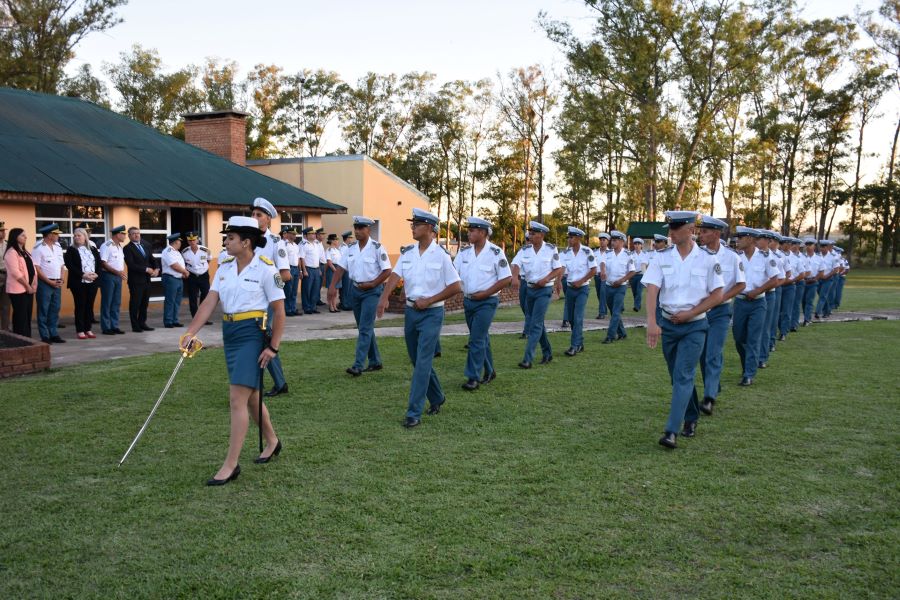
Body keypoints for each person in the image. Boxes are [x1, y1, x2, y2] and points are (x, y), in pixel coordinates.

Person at [180, 216, 285, 486]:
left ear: (246, 242)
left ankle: (231, 464)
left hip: (252, 334)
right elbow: (209, 302)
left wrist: (273, 346)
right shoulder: (224, 267)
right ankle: (272, 440)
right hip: (231, 334)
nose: (225, 242)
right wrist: (191, 332)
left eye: (230, 238)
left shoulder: (265, 268)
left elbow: (279, 310)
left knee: (237, 399)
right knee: (250, 399)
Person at [644, 211, 724, 449]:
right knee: (677, 377)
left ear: (691, 230)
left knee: (683, 375)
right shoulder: (661, 257)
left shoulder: (708, 259)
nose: (671, 232)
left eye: (676, 227)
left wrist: (691, 313)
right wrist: (652, 320)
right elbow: (652, 288)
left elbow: (718, 294)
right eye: (670, 227)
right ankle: (691, 417)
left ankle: (671, 431)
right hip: (668, 324)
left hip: (695, 326)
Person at [377, 208, 461, 428]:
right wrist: (384, 298)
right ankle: (437, 397)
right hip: (411, 313)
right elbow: (396, 275)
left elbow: (455, 286)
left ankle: (413, 412)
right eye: (412, 224)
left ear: (430, 229)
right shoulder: (408, 253)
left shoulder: (441, 255)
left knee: (423, 361)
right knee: (417, 361)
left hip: (432, 314)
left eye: (417, 224)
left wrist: (431, 300)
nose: (412, 227)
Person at [327, 216, 392, 375]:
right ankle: (375, 361)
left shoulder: (377, 248)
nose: (357, 231)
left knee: (364, 328)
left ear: (368, 230)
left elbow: (387, 271)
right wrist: (332, 287)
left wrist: (373, 284)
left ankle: (358, 365)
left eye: (360, 228)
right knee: (365, 327)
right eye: (355, 228)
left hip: (371, 292)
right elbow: (341, 268)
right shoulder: (351, 248)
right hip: (355, 291)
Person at [453, 216, 512, 390]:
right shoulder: (464, 253)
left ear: (483, 232)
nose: (468, 233)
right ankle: (490, 370)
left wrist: (486, 293)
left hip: (487, 302)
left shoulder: (495, 253)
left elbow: (506, 278)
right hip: (469, 301)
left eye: (472, 230)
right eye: (469, 230)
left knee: (476, 339)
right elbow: (453, 273)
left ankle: (473, 377)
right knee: (481, 338)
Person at [696, 217, 746, 416]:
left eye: (705, 232)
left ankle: (709, 397)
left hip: (720, 312)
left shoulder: (732, 257)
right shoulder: (696, 255)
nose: (701, 235)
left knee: (713, 352)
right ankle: (713, 385)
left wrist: (721, 297)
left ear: (716, 234)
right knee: (701, 354)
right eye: (700, 232)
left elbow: (741, 284)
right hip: (699, 310)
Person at [249, 197, 292, 397]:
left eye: (259, 215)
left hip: (265, 300)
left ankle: (265, 383)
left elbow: (285, 274)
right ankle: (278, 382)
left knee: (263, 339)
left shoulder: (276, 243)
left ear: (268, 219)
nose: (254, 217)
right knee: (260, 339)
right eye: (252, 214)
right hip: (248, 299)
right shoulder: (247, 239)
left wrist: (268, 292)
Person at [511, 221, 563, 368]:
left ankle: (528, 359)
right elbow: (515, 264)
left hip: (544, 290)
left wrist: (547, 279)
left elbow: (558, 269)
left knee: (535, 324)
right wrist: (515, 277)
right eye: (530, 233)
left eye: (533, 234)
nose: (530, 236)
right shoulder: (525, 250)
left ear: (541, 235)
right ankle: (547, 352)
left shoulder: (551, 250)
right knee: (537, 323)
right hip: (529, 290)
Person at [732, 227, 779, 386]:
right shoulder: (736, 257)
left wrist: (758, 290)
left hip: (758, 302)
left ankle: (749, 373)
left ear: (751, 239)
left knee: (753, 338)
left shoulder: (765, 257)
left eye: (741, 237)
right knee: (739, 338)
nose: (737, 240)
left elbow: (775, 279)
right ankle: (747, 366)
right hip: (739, 302)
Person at [562, 226, 596, 356]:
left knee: (578, 317)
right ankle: (580, 343)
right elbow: (562, 269)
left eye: (571, 237)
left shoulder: (587, 252)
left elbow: (594, 270)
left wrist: (581, 281)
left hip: (582, 288)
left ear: (578, 238)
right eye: (569, 237)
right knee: (570, 318)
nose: (569, 240)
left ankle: (574, 346)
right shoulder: (566, 253)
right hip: (570, 289)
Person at [63, 227, 102, 339]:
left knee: (89, 306)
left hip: (92, 282)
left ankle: (88, 329)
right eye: (75, 236)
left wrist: (97, 274)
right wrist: (83, 275)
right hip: (78, 282)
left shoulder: (93, 249)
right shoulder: (71, 249)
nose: (76, 237)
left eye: (79, 235)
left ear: (85, 237)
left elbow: (99, 263)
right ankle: (80, 330)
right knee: (80, 305)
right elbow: (70, 265)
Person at [32, 223, 66, 343]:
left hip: (57, 282)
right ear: (50, 235)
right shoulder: (38, 247)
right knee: (43, 309)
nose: (58, 236)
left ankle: (53, 333)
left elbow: (62, 264)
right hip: (45, 283)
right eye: (56, 234)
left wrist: (61, 278)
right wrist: (49, 282)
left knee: (55, 309)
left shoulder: (57, 247)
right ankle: (44, 335)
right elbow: (37, 267)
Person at [123, 227, 159, 332]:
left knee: (144, 304)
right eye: (133, 234)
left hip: (147, 280)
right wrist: (146, 269)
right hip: (136, 281)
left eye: (138, 233)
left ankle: (142, 323)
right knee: (135, 304)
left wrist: (157, 268)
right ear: (129, 236)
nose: (136, 235)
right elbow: (131, 264)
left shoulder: (145, 246)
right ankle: (135, 326)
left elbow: (152, 259)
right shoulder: (127, 248)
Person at [603, 231, 635, 344]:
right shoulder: (607, 254)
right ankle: (622, 333)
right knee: (613, 312)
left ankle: (610, 336)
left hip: (620, 287)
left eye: (615, 240)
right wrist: (602, 272)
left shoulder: (628, 255)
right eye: (612, 240)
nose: (613, 242)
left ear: (622, 242)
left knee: (616, 311)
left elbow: (632, 271)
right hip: (608, 286)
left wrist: (622, 280)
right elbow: (602, 265)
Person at [4, 227, 36, 338]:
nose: (25, 237)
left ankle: (28, 338)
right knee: (20, 316)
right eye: (22, 235)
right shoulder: (11, 252)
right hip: (18, 289)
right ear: (15, 237)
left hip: (29, 289)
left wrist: (33, 285)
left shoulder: (25, 252)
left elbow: (32, 269)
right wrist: (27, 286)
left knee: (27, 315)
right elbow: (15, 273)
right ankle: (20, 338)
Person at [182, 232, 212, 324]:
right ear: (187, 241)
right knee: (193, 297)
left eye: (194, 240)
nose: (192, 242)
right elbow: (184, 264)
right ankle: (195, 318)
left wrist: (203, 269)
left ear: (198, 239)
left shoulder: (205, 250)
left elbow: (209, 260)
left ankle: (203, 318)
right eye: (190, 240)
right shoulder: (184, 252)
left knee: (205, 296)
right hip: (192, 276)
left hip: (203, 275)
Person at [161, 233, 189, 328]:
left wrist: (183, 273)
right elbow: (174, 265)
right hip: (170, 278)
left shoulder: (176, 252)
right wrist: (185, 272)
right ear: (176, 242)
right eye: (179, 241)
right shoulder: (168, 251)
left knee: (177, 301)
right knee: (170, 300)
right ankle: (168, 321)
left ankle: (175, 320)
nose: (180, 243)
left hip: (178, 278)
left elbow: (179, 265)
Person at [280, 227, 301, 316]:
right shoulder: (284, 245)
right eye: (292, 234)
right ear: (287, 234)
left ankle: (293, 308)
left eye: (295, 234)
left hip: (296, 268)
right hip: (289, 268)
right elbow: (283, 259)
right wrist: (286, 270)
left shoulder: (296, 246)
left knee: (294, 291)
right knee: (288, 290)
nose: (294, 235)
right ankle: (287, 309)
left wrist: (300, 270)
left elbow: (298, 258)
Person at [300, 227, 320, 314]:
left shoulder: (316, 244)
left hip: (316, 269)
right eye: (311, 234)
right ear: (306, 235)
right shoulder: (304, 245)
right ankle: (307, 307)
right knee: (307, 289)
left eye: (314, 233)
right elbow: (302, 258)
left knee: (315, 289)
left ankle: (313, 306)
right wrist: (304, 270)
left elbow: (317, 258)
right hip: (308, 268)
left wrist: (318, 268)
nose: (314, 235)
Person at [593, 232, 610, 319]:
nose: (602, 242)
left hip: (605, 277)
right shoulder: (594, 252)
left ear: (607, 241)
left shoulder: (611, 252)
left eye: (604, 240)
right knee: (599, 294)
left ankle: (602, 313)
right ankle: (605, 310)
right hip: (596, 276)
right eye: (601, 240)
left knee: (603, 293)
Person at [630, 237, 649, 311]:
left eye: (638, 244)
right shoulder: (631, 254)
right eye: (635, 244)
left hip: (641, 275)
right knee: (634, 292)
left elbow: (646, 265)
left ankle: (636, 307)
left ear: (641, 245)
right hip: (633, 275)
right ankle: (637, 304)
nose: (637, 245)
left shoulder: (645, 254)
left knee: (639, 291)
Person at [324, 234, 342, 312]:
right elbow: (329, 262)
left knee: (336, 290)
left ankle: (334, 305)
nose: (337, 241)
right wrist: (335, 270)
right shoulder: (329, 250)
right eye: (336, 240)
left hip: (338, 269)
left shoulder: (337, 250)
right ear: (332, 241)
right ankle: (330, 305)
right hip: (332, 270)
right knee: (331, 289)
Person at [338, 230, 354, 310]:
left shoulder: (348, 247)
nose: (351, 239)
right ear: (346, 238)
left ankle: (348, 303)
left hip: (350, 270)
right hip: (345, 270)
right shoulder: (343, 248)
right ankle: (344, 304)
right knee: (345, 288)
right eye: (350, 238)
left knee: (350, 288)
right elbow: (343, 260)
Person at [0, 221, 10, 331]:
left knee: (6, 305)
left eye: (4, 231)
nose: (3, 233)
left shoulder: (8, 245)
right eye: (1, 231)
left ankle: (5, 329)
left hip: (7, 276)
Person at [315, 228, 328, 307]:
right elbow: (317, 257)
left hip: (323, 265)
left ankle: (318, 299)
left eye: (323, 235)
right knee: (317, 284)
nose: (323, 236)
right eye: (322, 234)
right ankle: (315, 299)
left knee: (319, 284)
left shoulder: (320, 243)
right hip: (319, 265)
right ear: (318, 235)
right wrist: (319, 268)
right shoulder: (316, 243)